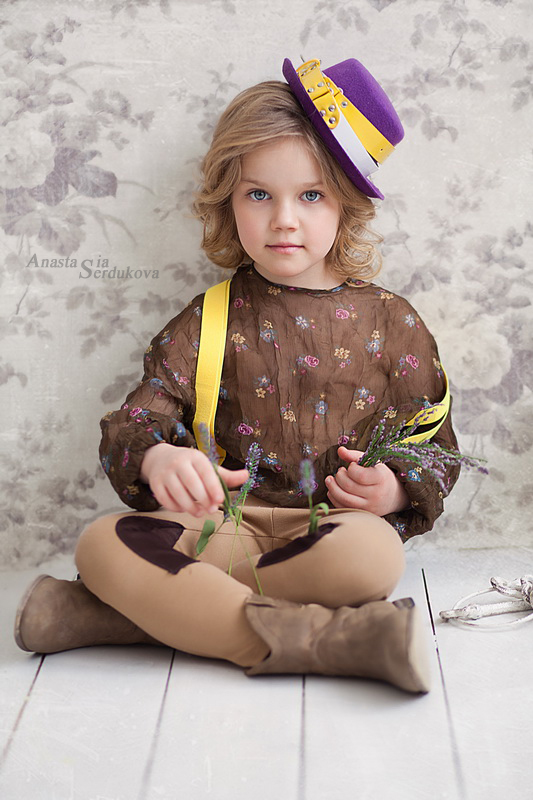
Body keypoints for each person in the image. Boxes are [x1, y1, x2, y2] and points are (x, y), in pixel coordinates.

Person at [14, 57, 461, 694]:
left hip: (327, 533)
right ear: (229, 199)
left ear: (348, 204)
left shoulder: (393, 322)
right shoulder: (210, 318)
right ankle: (334, 640)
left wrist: (392, 489)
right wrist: (158, 461)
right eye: (259, 194)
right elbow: (137, 419)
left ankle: (120, 615)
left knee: (374, 556)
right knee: (101, 543)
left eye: (311, 195)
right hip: (217, 526)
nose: (284, 219)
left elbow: (435, 447)